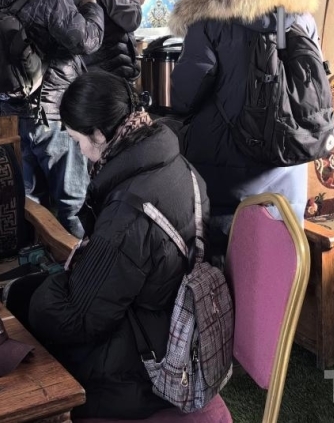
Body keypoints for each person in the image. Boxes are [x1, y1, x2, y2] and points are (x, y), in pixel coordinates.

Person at [25, 71, 209, 419]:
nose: (80, 152)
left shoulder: (129, 212)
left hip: (151, 368)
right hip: (176, 323)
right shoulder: (176, 163)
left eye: (77, 140)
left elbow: (76, 320)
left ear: (99, 134)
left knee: (29, 308)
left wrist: (59, 280)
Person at [168, 0, 320, 257]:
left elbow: (187, 93)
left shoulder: (209, 17)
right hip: (289, 159)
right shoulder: (298, 11)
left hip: (230, 164)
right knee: (281, 258)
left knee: (232, 261)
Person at [0, 0, 104, 238]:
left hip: (10, 112)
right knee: (72, 203)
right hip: (51, 111)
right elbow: (86, 41)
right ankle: (78, 261)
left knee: (27, 203)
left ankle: (33, 259)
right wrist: (91, 10)